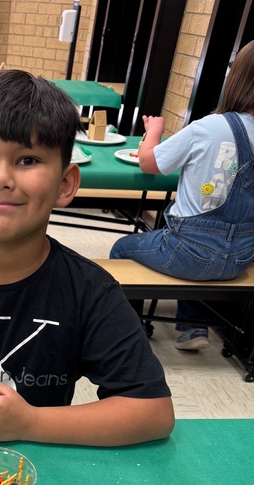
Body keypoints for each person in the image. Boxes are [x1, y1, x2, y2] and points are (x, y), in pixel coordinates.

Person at [0, 70, 175, 446]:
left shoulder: (90, 291)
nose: (1, 178)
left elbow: (153, 412)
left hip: (31, 462)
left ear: (65, 184)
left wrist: (31, 423)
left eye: (27, 160)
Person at [109, 41, 254, 351]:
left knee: (122, 249)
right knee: (207, 244)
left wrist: (154, 132)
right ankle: (192, 325)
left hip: (188, 254)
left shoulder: (209, 128)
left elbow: (149, 162)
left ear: (237, 78)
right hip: (241, 258)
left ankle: (134, 330)